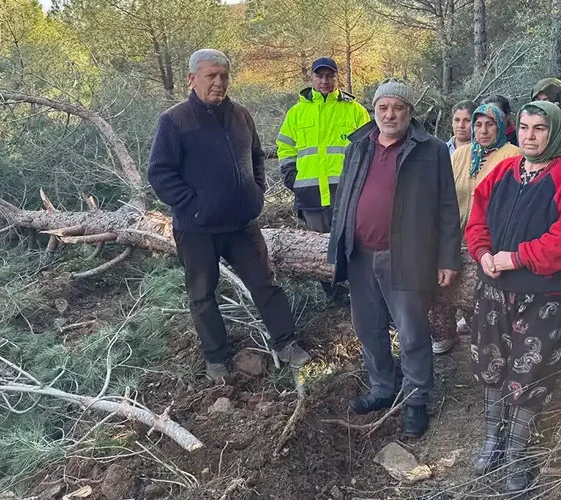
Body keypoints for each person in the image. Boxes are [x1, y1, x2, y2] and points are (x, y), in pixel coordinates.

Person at [147, 49, 311, 382]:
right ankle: (216, 358)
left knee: (265, 284)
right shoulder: (175, 121)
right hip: (196, 229)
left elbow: (255, 157)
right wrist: (193, 205)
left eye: (224, 75)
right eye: (211, 75)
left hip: (241, 225)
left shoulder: (241, 116)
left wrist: (256, 192)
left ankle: (286, 343)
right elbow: (159, 172)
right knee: (202, 295)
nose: (219, 82)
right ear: (192, 78)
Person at [464, 101, 561, 493]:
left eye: (539, 128)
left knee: (529, 371)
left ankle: (518, 453)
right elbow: (477, 216)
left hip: (544, 293)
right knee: (490, 362)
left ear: (553, 132)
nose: (530, 136)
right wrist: (483, 253)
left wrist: (516, 257)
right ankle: (492, 441)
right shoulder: (504, 169)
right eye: (524, 127)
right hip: (495, 288)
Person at [328, 78, 461, 438]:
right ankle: (383, 388)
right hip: (360, 255)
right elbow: (345, 198)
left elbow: (448, 206)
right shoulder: (358, 146)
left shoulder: (430, 149)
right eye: (384, 107)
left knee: (412, 332)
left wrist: (448, 258)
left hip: (406, 255)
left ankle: (416, 400)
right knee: (368, 328)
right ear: (375, 110)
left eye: (398, 108)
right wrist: (337, 244)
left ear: (409, 112)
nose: (390, 114)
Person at [428, 103, 521, 355]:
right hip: (456, 233)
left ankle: (481, 333)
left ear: (500, 126)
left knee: (482, 287)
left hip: (491, 237)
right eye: (478, 124)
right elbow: (442, 193)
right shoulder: (461, 154)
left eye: (489, 124)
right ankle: (442, 333)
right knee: (444, 282)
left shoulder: (513, 155)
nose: (483, 130)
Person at [277, 57, 370, 304]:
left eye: (330, 76)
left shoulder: (354, 110)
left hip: (347, 193)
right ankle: (335, 295)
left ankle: (361, 290)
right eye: (320, 76)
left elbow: (368, 149)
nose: (324, 81)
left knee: (354, 243)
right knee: (320, 249)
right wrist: (291, 177)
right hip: (310, 195)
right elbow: (285, 147)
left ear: (337, 78)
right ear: (312, 78)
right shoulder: (297, 113)